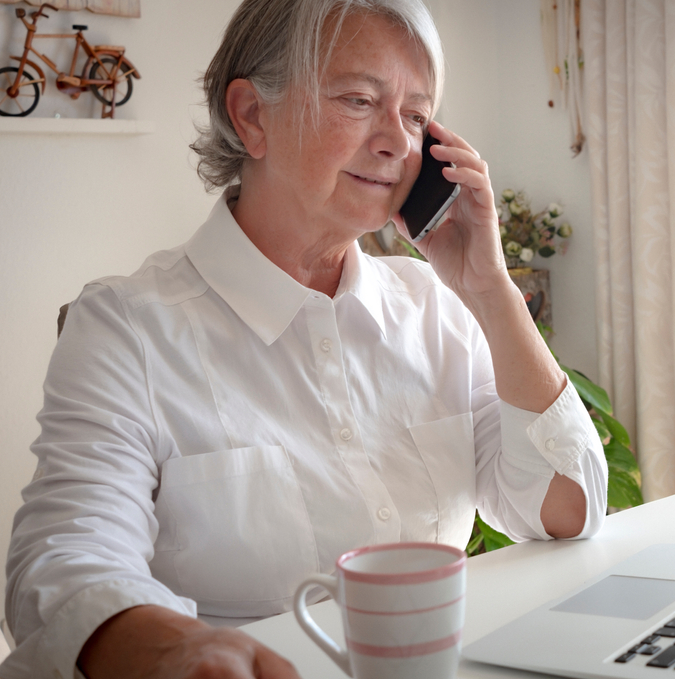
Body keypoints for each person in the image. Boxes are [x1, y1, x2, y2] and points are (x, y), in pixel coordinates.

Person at [2, 1, 608, 677]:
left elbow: (566, 505)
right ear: (252, 116)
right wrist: (179, 647)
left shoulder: (432, 304)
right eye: (359, 100)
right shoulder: (127, 327)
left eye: (415, 114)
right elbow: (61, 562)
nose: (399, 144)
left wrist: (489, 288)